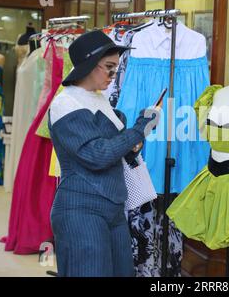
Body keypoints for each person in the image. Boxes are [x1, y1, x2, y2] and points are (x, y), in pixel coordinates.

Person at [48, 30, 160, 277]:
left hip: (112, 208)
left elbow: (116, 148)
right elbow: (97, 155)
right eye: (108, 67)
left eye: (116, 68)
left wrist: (134, 139)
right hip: (80, 210)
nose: (113, 75)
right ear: (89, 64)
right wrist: (139, 130)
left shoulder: (99, 99)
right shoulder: (65, 103)